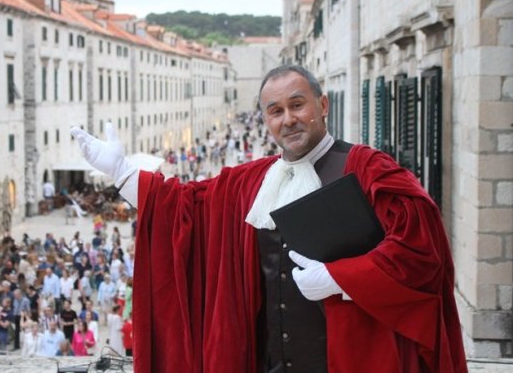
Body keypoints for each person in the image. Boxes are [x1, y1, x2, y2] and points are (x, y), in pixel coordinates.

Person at [70, 64, 468, 372]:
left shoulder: (367, 170)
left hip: (352, 361)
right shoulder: (249, 182)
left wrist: (341, 278)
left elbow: (422, 252)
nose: (288, 119)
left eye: (297, 105)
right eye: (275, 111)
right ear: (266, 121)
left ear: (322, 106)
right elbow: (184, 208)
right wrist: (122, 173)